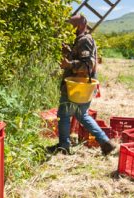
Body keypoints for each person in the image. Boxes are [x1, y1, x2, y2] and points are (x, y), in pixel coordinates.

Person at [46, 14, 116, 155]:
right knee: (81, 115)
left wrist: (69, 64)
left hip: (77, 86)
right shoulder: (81, 40)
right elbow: (82, 58)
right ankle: (105, 142)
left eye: (71, 25)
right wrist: (69, 52)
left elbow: (88, 65)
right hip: (81, 86)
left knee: (64, 114)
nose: (69, 28)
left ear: (80, 25)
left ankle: (64, 146)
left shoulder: (84, 40)